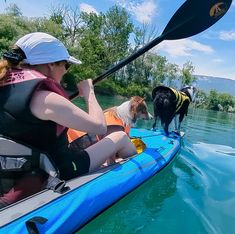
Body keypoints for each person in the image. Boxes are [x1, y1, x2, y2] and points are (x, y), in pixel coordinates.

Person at [0, 32, 136, 207]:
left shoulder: (5, 84)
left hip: (16, 170)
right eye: (66, 65)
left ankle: (109, 161)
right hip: (58, 168)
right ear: (50, 64)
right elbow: (100, 127)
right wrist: (89, 93)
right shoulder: (45, 98)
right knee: (121, 138)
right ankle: (126, 178)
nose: (65, 70)